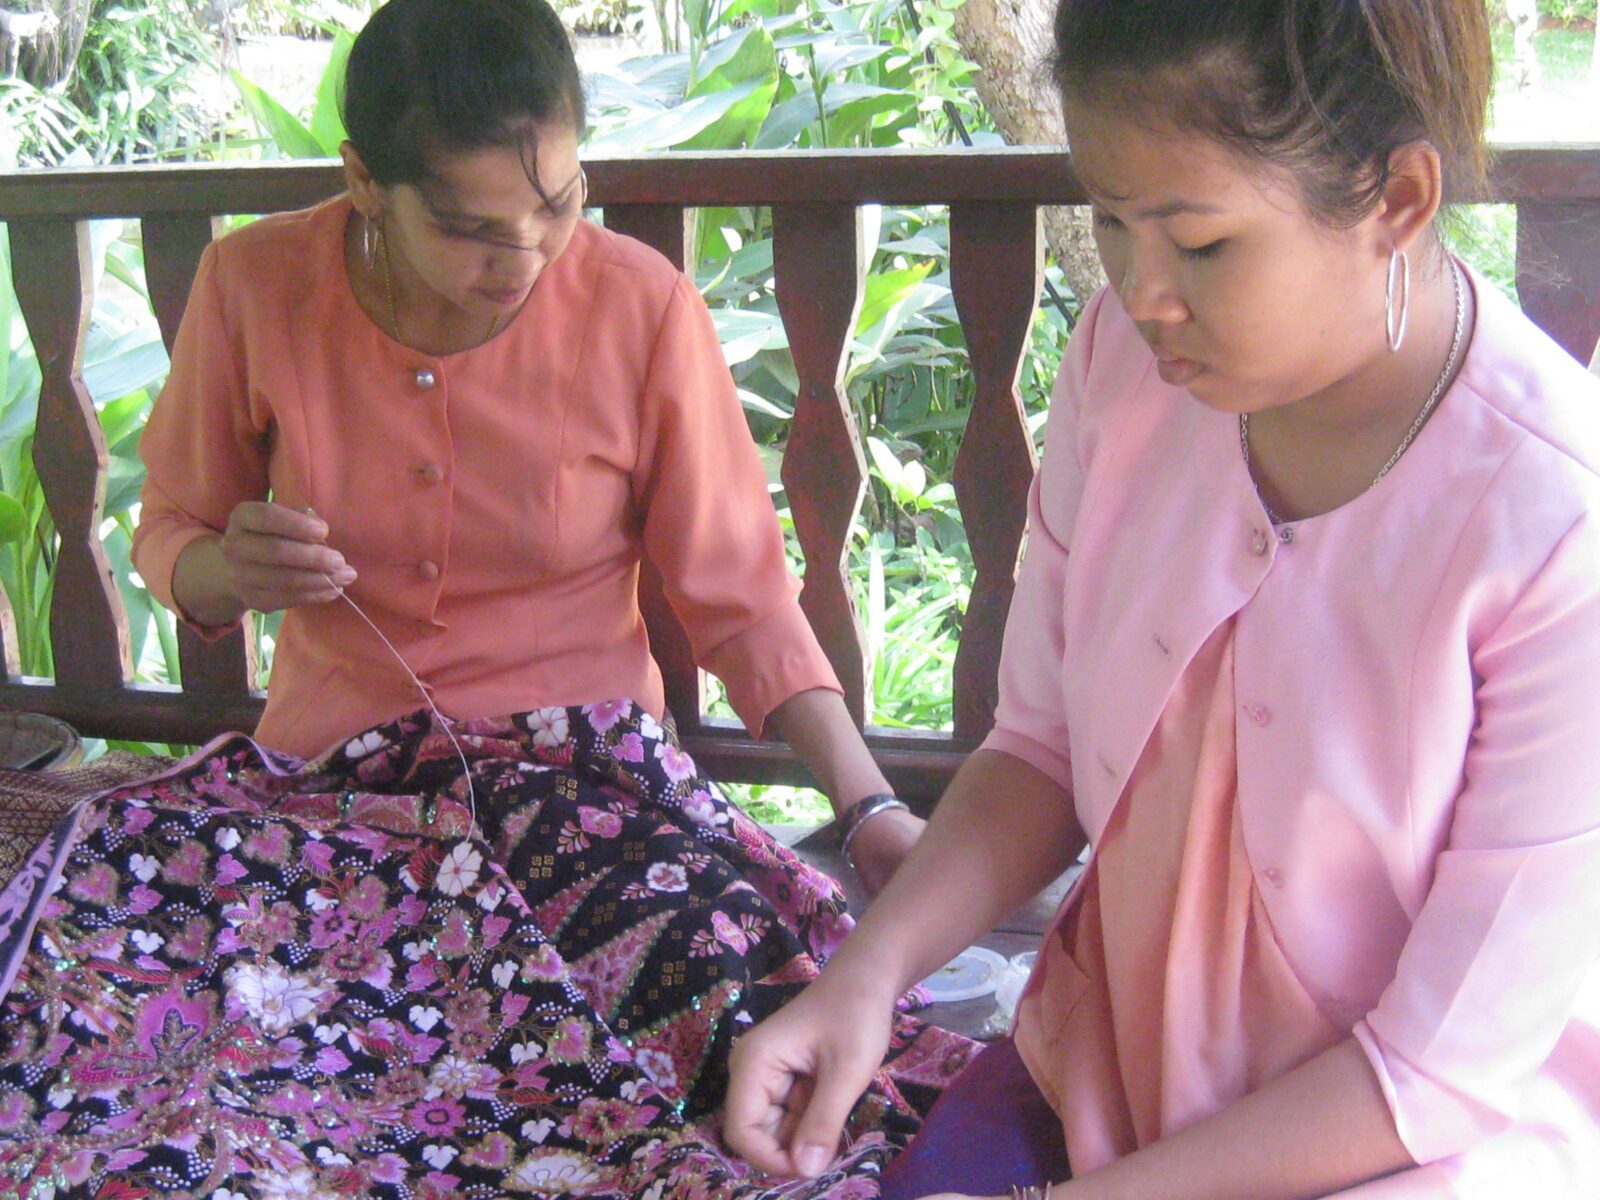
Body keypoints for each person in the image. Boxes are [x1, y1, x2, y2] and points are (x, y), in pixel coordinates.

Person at [0, 1, 965, 1194]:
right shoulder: (254, 282)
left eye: (557, 204)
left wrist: (869, 807)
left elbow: (743, 600)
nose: (523, 260)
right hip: (333, 796)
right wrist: (223, 570)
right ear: (364, 181)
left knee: (738, 1034)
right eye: (467, 228)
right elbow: (172, 535)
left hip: (589, 796)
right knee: (194, 1045)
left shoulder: (638, 305)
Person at [725, 1, 1600, 1197]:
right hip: (1107, 1069)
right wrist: (863, 982)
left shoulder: (1554, 519)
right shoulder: (1123, 369)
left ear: (1396, 199)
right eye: (1110, 220)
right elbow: (1039, 749)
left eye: (1200, 245)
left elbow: (1435, 1073)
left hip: (1408, 1145)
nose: (1142, 294)